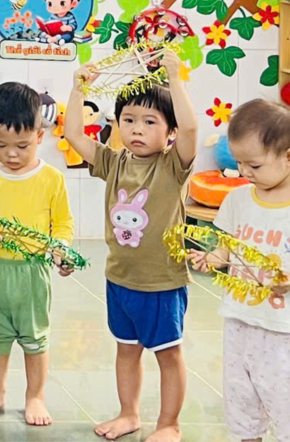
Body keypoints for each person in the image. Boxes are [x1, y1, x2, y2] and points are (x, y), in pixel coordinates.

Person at [62, 52, 198, 442]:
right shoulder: (114, 161)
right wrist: (78, 89)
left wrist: (174, 78)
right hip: (120, 280)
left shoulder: (173, 165)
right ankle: (129, 414)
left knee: (168, 354)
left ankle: (169, 424)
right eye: (128, 120)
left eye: (150, 121)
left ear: (169, 132)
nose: (137, 129)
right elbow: (74, 136)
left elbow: (191, 129)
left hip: (161, 283)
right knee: (126, 349)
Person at [196, 99, 290, 442]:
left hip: (286, 330)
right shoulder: (238, 200)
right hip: (240, 320)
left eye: (254, 164)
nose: (245, 172)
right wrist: (212, 259)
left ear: (289, 158)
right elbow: (227, 247)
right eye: (240, 162)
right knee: (242, 404)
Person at [0, 81, 76, 427]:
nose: (12, 154)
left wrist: (60, 249)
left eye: (23, 146)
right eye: (0, 145)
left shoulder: (51, 179)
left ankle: (35, 396)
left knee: (34, 337)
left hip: (32, 272)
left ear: (40, 136)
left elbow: (62, 223)